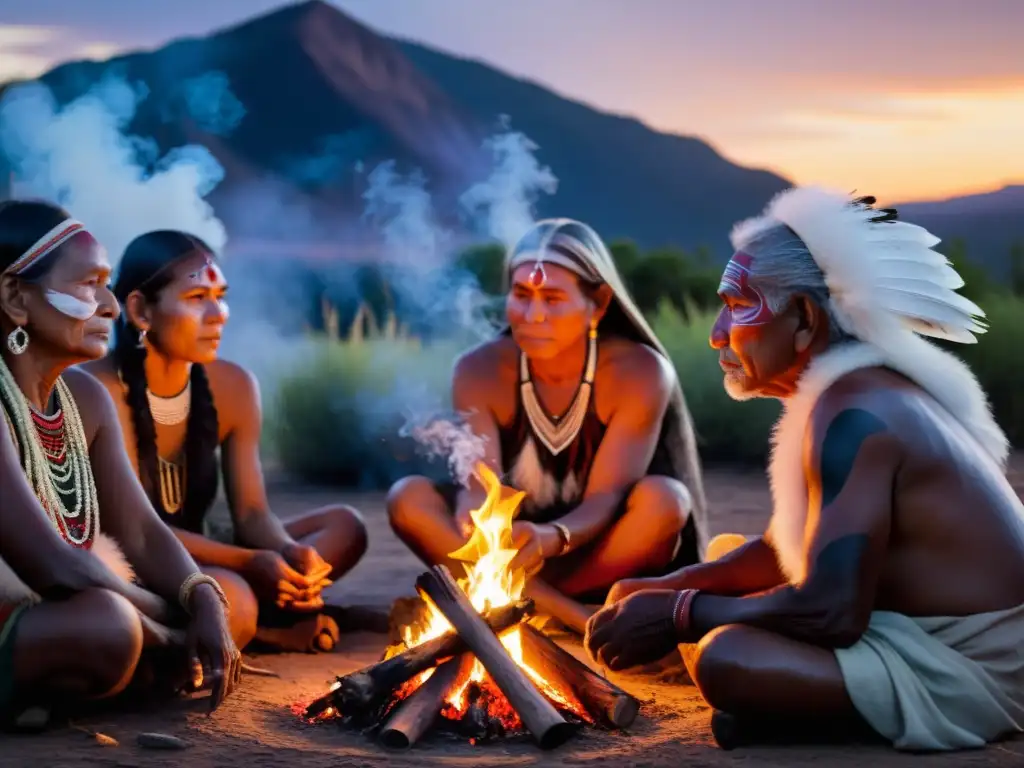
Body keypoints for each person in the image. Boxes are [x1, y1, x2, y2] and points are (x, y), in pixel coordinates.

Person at [585, 187, 1024, 751]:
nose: (718, 332)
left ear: (804, 318)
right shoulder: (847, 393)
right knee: (718, 561)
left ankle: (798, 714)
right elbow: (782, 550)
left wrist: (677, 613)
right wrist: (664, 586)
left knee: (728, 656)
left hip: (984, 664)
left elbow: (833, 611)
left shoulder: (854, 415)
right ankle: (788, 708)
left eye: (739, 305)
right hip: (909, 624)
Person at [387, 218, 710, 624]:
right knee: (409, 498)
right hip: (510, 558)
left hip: (600, 557)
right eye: (521, 294)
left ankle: (521, 605)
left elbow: (604, 498)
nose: (532, 314)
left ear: (600, 303)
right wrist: (473, 515)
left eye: (553, 298)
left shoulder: (639, 371)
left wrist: (551, 538)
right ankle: (574, 618)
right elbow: (478, 484)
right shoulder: (478, 369)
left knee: (664, 501)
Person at [0, 200, 241, 726]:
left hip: (51, 612)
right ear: (15, 297)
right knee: (107, 625)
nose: (110, 306)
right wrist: (168, 623)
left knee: (227, 606)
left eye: (108, 285)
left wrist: (202, 598)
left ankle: (58, 689)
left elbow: (143, 532)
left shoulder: (84, 398)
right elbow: (55, 566)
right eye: (89, 285)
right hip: (35, 614)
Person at [82, 230, 368, 654]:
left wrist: (288, 554)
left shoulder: (234, 385)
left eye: (221, 295)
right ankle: (262, 630)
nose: (219, 314)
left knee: (344, 527)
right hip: (133, 562)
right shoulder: (99, 390)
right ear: (140, 309)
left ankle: (251, 618)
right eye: (198, 297)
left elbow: (252, 514)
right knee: (232, 596)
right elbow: (135, 532)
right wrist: (251, 563)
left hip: (209, 552)